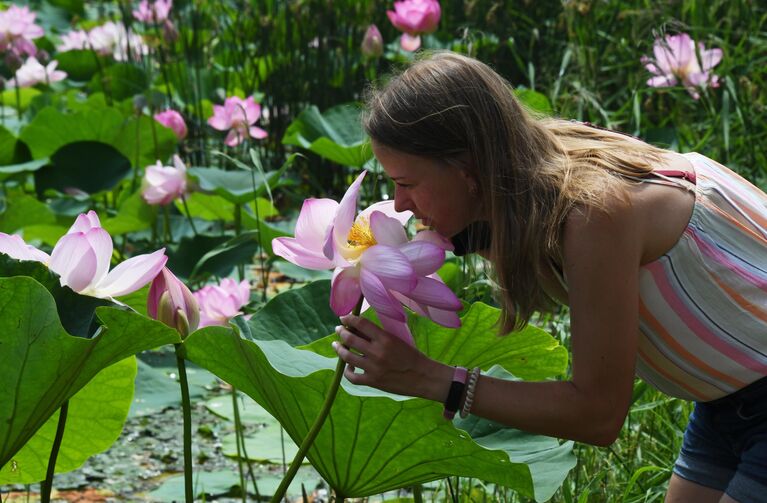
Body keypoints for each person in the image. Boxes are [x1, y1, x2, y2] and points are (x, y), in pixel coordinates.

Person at [331, 51, 767, 503]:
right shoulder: (534, 169)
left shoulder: (593, 210)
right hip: (725, 404)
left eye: (408, 183)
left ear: (468, 170)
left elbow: (598, 415)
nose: (398, 206)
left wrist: (431, 379)